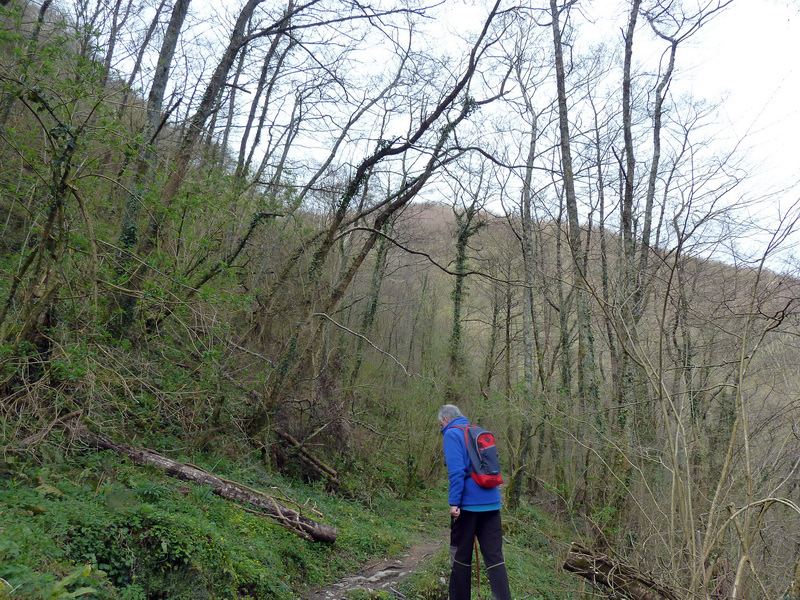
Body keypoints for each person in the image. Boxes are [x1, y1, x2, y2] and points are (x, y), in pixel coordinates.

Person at [438, 404, 511, 600]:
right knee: (495, 558)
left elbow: (456, 472)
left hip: (467, 506)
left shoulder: (452, 434)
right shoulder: (478, 431)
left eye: (441, 424)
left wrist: (454, 503)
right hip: (492, 503)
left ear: (445, 419)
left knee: (461, 558)